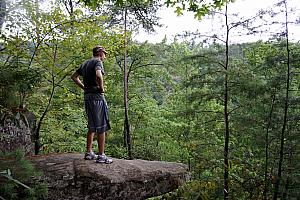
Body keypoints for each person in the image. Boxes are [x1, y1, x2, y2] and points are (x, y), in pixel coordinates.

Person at [71, 45, 112, 164]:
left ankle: (89, 152)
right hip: (97, 97)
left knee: (92, 124)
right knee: (102, 125)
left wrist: (84, 88)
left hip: (87, 97)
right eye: (104, 53)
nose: (104, 56)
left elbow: (74, 77)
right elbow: (99, 75)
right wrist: (101, 88)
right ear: (100, 53)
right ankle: (101, 155)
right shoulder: (98, 62)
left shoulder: (85, 63)